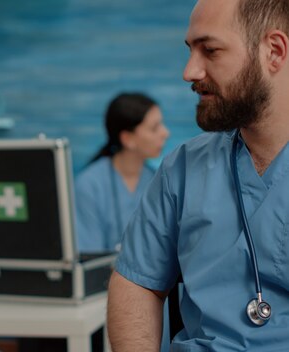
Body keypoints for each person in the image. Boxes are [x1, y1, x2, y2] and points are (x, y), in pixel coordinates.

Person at [108, 0, 289, 350]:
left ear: (275, 52)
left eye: (210, 50)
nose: (189, 71)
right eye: (191, 51)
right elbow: (136, 282)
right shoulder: (183, 168)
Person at [74, 93, 169, 252]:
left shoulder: (158, 182)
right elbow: (89, 258)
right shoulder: (90, 185)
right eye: (155, 128)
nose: (165, 133)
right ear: (127, 139)